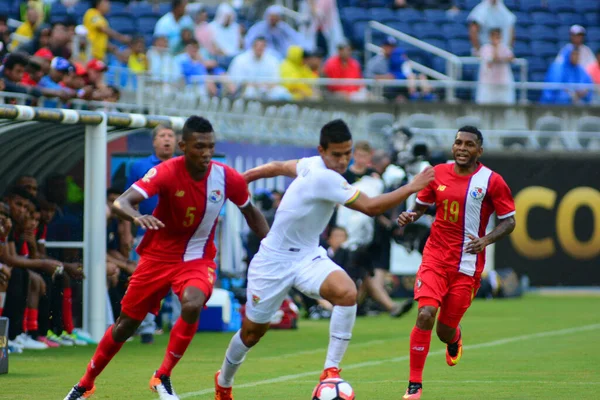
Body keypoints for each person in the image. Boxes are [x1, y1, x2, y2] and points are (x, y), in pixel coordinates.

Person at [214, 119, 434, 400]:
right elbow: (370, 206)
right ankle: (223, 382)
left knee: (346, 292)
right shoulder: (324, 177)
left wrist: (244, 177)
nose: (343, 160)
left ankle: (331, 371)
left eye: (348, 153)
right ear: (322, 150)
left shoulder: (311, 164)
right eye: (337, 154)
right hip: (273, 262)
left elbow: (277, 167)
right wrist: (413, 186)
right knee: (252, 334)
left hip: (308, 257)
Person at [63, 116, 270, 400]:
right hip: (157, 258)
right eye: (199, 147)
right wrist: (137, 217)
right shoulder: (165, 172)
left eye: (210, 146)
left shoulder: (226, 177)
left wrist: (272, 247)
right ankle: (85, 383)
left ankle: (163, 376)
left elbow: (251, 212)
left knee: (193, 302)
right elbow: (121, 202)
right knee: (126, 326)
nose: (206, 153)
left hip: (197, 258)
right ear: (184, 146)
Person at [397, 126, 516, 400]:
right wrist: (410, 216)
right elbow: (421, 206)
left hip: (467, 265)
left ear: (479, 151)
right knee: (425, 313)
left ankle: (454, 337)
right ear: (453, 147)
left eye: (469, 144)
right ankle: (415, 385)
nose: (462, 148)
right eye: (458, 143)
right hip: (435, 257)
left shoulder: (491, 181)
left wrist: (485, 240)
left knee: (444, 329)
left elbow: (509, 220)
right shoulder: (436, 173)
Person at [126, 124, 177, 344]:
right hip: (148, 232)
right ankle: (146, 328)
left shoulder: (184, 166)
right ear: (154, 141)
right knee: (147, 281)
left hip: (179, 234)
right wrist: (129, 230)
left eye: (171, 136)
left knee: (180, 282)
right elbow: (130, 201)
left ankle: (178, 326)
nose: (167, 140)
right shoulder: (140, 166)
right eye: (162, 136)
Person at [476, 28, 515, 105]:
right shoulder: (485, 48)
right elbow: (493, 59)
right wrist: (496, 48)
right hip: (488, 84)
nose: (495, 39)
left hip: (503, 83)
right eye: (493, 36)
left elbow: (511, 58)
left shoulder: (504, 47)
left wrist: (501, 56)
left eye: (497, 36)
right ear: (490, 37)